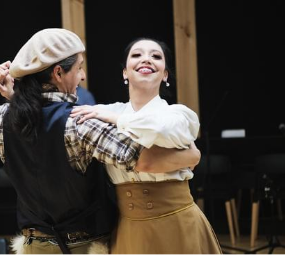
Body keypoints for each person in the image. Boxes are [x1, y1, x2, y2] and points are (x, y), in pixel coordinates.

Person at [0, 29, 200, 254]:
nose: (82, 76)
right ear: (59, 73)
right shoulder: (81, 122)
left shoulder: (3, 117)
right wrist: (193, 155)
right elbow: (144, 161)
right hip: (83, 247)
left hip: (33, 246)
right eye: (79, 67)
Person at [70, 37, 222, 253]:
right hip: (128, 227)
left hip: (177, 222)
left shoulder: (178, 114)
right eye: (137, 55)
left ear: (165, 74)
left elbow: (160, 129)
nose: (146, 59)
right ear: (125, 72)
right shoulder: (108, 111)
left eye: (156, 56)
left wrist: (116, 120)